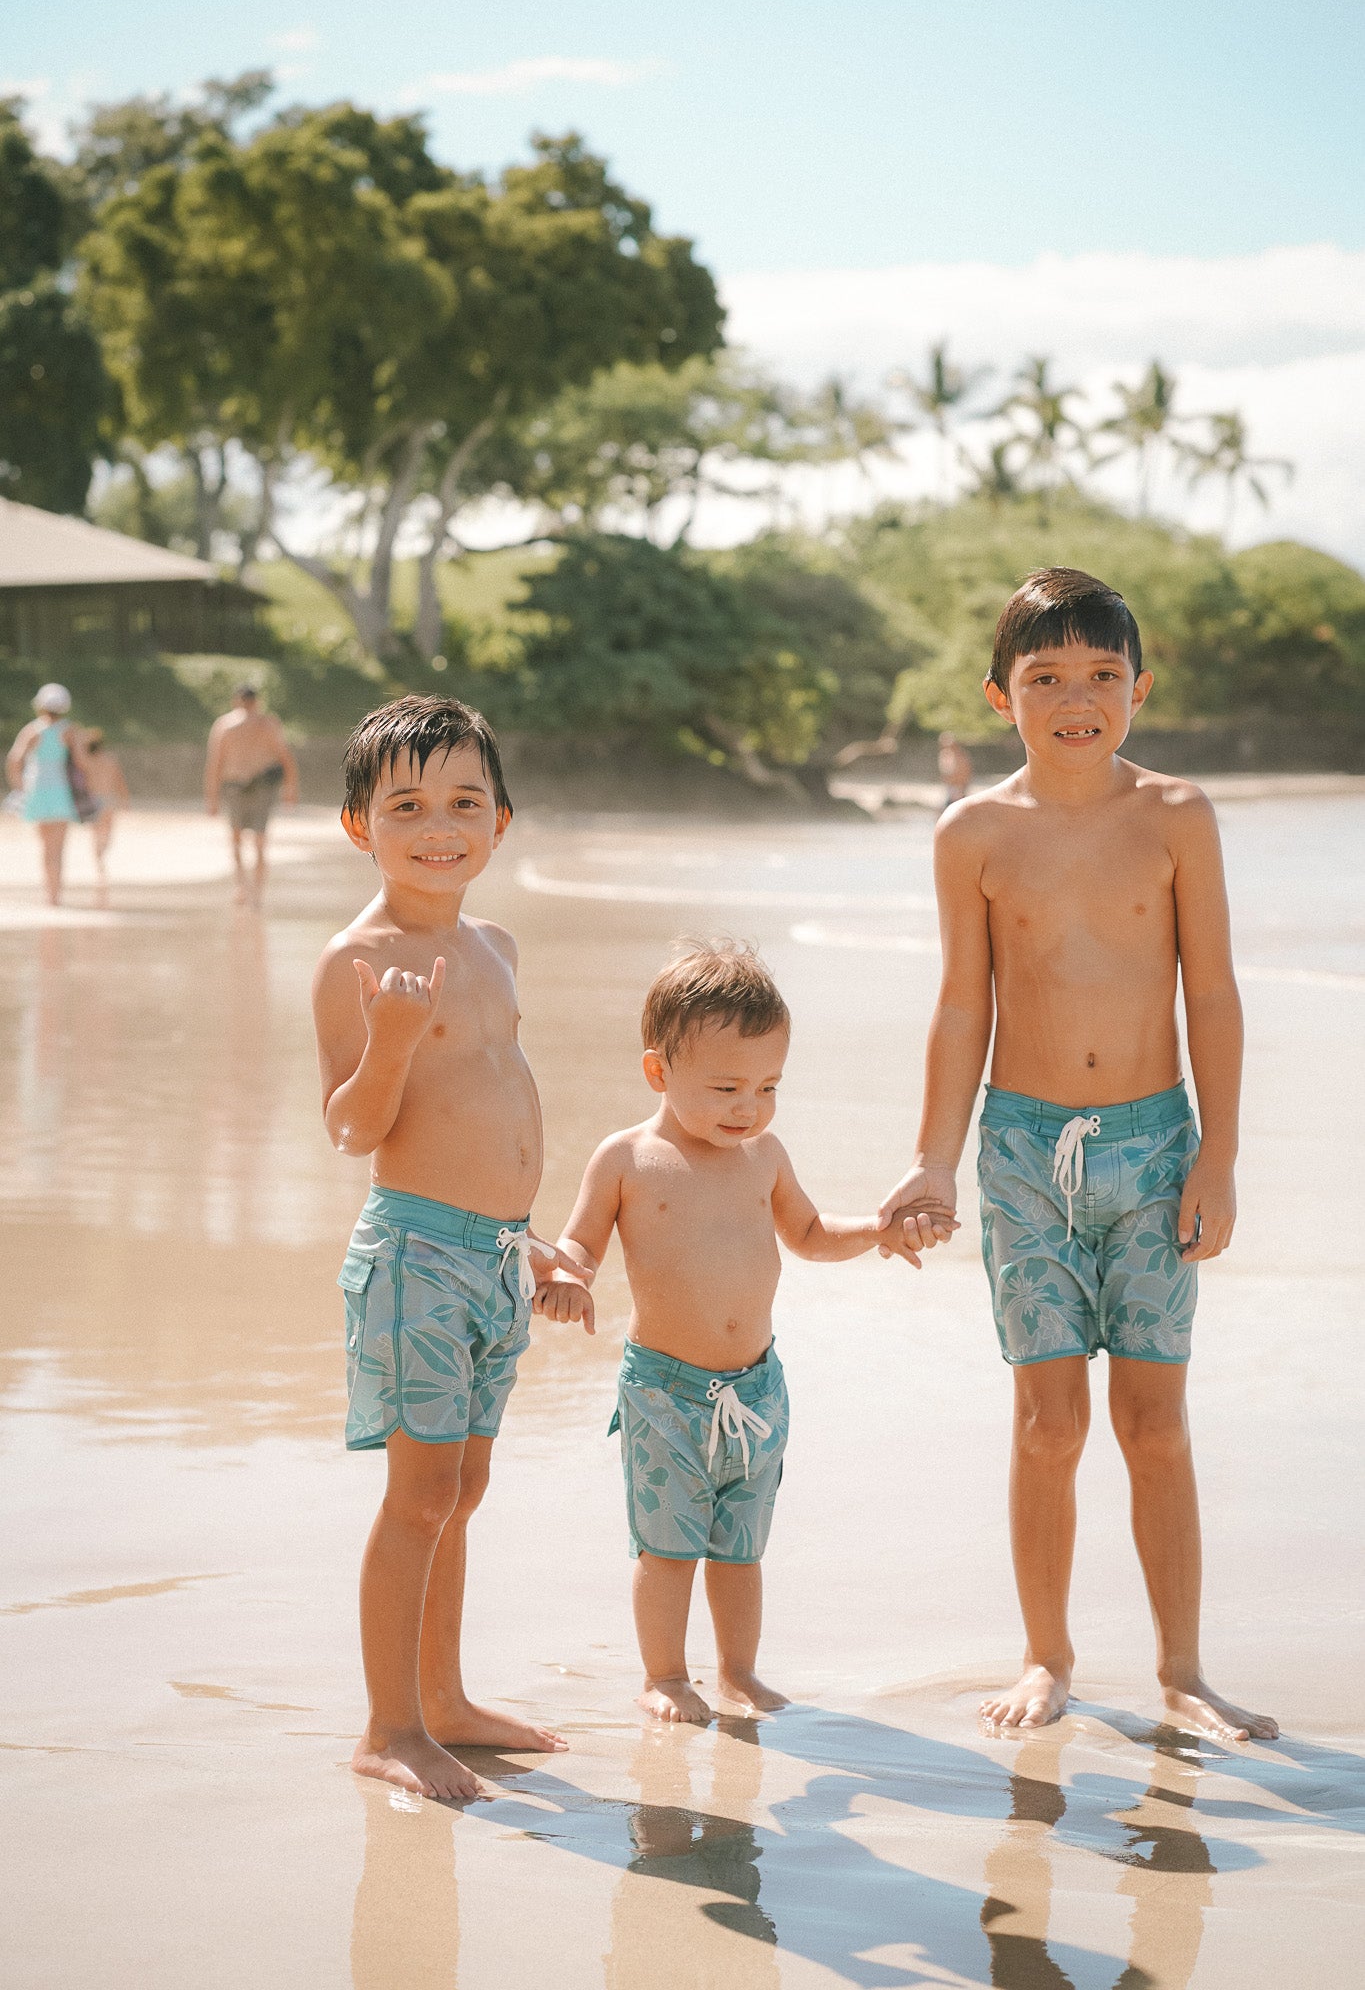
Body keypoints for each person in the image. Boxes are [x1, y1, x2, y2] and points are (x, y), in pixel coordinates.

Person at [878, 567, 1278, 1744]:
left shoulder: (1176, 817)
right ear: (1000, 695)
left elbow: (1213, 991)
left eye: (1102, 675)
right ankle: (1047, 1655)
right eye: (1045, 677)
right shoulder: (975, 832)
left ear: (1139, 688)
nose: (1076, 697)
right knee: (1049, 1422)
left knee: (1155, 1422)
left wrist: (1221, 1156)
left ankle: (1183, 1669)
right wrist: (934, 1159)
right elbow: (963, 1007)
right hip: (1020, 1153)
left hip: (1157, 1150)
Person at [544, 940, 949, 1727]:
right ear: (658, 1072)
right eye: (726, 1086)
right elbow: (579, 1244)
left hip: (756, 1389)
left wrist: (876, 1228)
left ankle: (738, 1672)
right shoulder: (628, 1157)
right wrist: (564, 1278)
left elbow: (806, 1232)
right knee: (667, 1547)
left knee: (739, 1546)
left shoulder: (762, 1154)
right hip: (665, 1390)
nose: (748, 1106)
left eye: (768, 1087)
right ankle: (664, 1675)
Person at [311, 695, 594, 1804]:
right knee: (419, 1492)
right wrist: (385, 1043)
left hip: (491, 1257)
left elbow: (494, 1099)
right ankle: (390, 1724)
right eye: (408, 805)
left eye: (464, 802)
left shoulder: (495, 943)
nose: (440, 825)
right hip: (415, 1257)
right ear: (358, 826)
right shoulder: (358, 958)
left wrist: (534, 1246)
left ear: (503, 820)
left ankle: (445, 1695)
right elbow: (351, 1129)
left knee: (463, 1485)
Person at [204, 684, 298, 904]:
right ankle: (257, 890)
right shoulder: (267, 724)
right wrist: (291, 788)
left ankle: (241, 886)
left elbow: (215, 763)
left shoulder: (225, 725)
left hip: (234, 786)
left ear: (236, 701)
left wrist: (212, 797)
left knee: (236, 839)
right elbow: (285, 758)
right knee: (260, 841)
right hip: (261, 787)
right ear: (256, 701)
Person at [5, 683, 91, 906]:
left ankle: (49, 895)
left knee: (45, 847)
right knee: (59, 847)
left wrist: (20, 787)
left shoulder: (32, 730)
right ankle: (57, 896)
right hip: (61, 792)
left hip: (37, 791)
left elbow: (14, 760)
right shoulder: (70, 730)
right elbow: (82, 762)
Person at [80, 730, 130, 895]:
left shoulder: (85, 762)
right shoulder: (110, 760)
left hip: (93, 800)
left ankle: (99, 862)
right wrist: (124, 799)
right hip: (108, 800)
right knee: (107, 834)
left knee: (95, 834)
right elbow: (119, 780)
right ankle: (101, 857)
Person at [937, 729, 973, 809]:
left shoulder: (961, 755)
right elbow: (945, 773)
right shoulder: (946, 755)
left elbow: (966, 771)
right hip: (952, 787)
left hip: (958, 787)